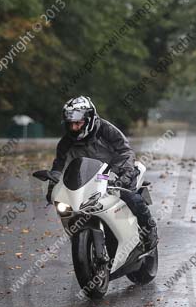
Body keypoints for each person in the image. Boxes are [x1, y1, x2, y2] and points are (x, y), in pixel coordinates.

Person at [48, 96, 158, 250]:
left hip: (114, 174)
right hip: (86, 181)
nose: (74, 128)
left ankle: (149, 230)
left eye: (78, 123)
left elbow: (125, 151)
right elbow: (58, 167)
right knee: (69, 208)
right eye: (70, 124)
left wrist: (125, 174)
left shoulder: (106, 130)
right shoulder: (65, 143)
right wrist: (52, 186)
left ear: (89, 119)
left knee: (130, 195)